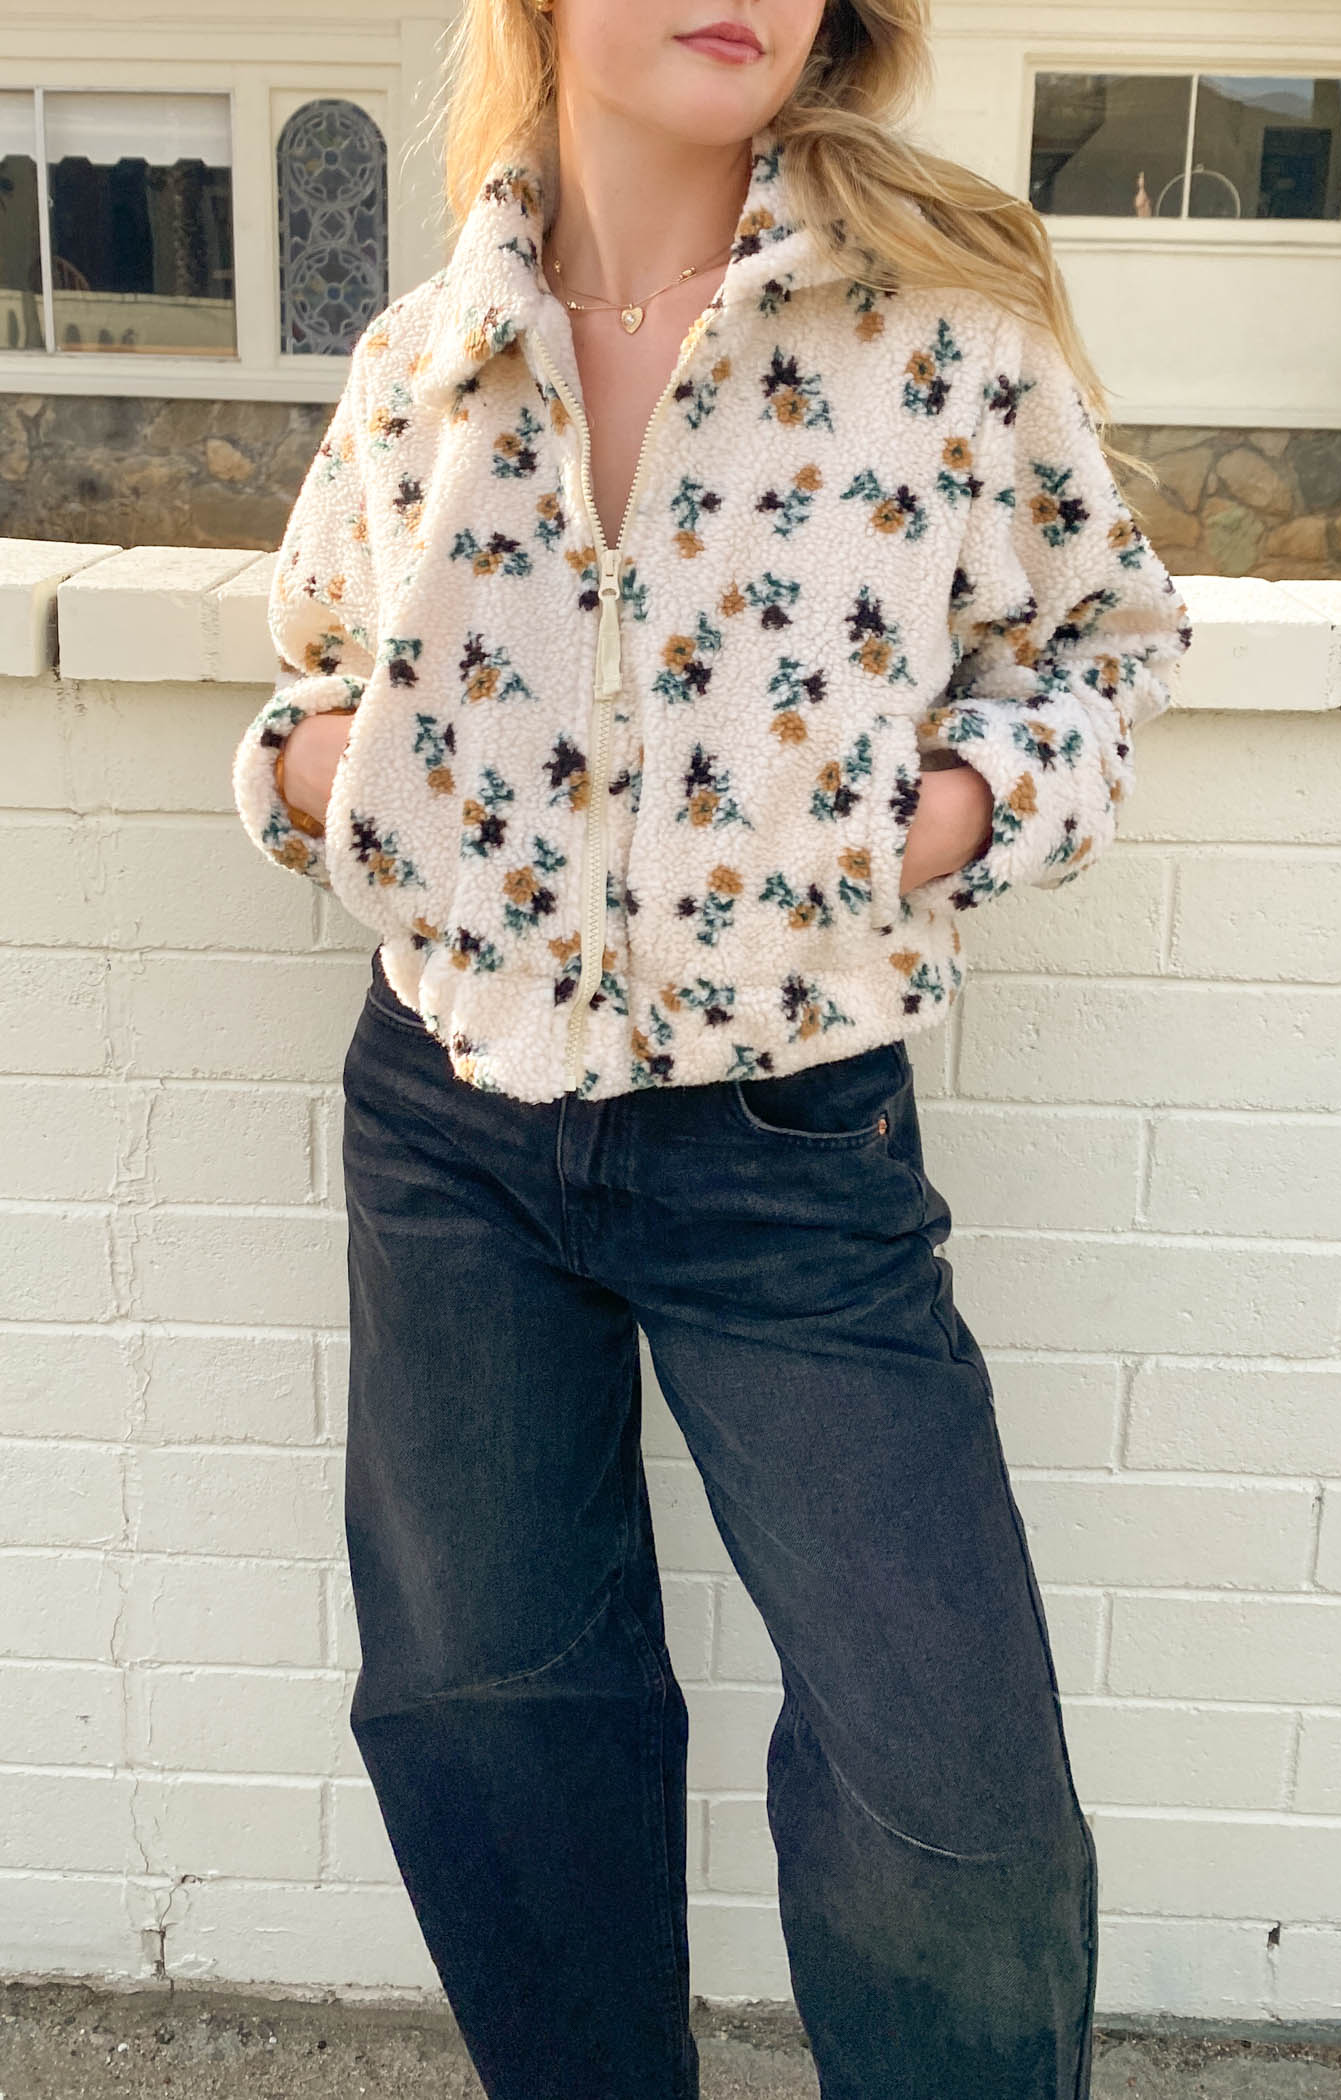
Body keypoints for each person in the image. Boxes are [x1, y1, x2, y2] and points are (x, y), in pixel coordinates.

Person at [232, 2, 1193, 2094]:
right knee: (487, 1699)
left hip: (788, 1144)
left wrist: (933, 820)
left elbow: (1096, 653)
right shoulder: (425, 353)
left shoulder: (938, 331)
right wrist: (307, 779)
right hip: (450, 1124)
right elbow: (313, 662)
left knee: (951, 1781)